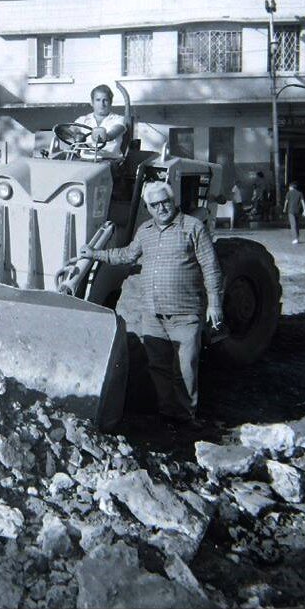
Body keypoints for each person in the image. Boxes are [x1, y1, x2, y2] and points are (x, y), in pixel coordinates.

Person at [79, 181, 223, 430]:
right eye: (155, 205)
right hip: (152, 313)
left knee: (185, 367)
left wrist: (216, 305)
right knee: (158, 366)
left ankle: (186, 417)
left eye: (165, 202)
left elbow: (211, 268)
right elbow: (125, 255)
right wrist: (94, 253)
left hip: (185, 312)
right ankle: (167, 414)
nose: (162, 208)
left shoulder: (193, 227)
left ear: (173, 201)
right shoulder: (145, 231)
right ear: (149, 208)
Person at [74, 84, 130, 156]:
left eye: (105, 100)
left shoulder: (119, 119)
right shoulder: (82, 120)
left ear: (110, 102)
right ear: (92, 102)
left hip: (110, 162)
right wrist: (73, 133)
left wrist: (106, 136)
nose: (102, 104)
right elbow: (70, 131)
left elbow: (114, 132)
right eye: (98, 100)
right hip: (84, 161)